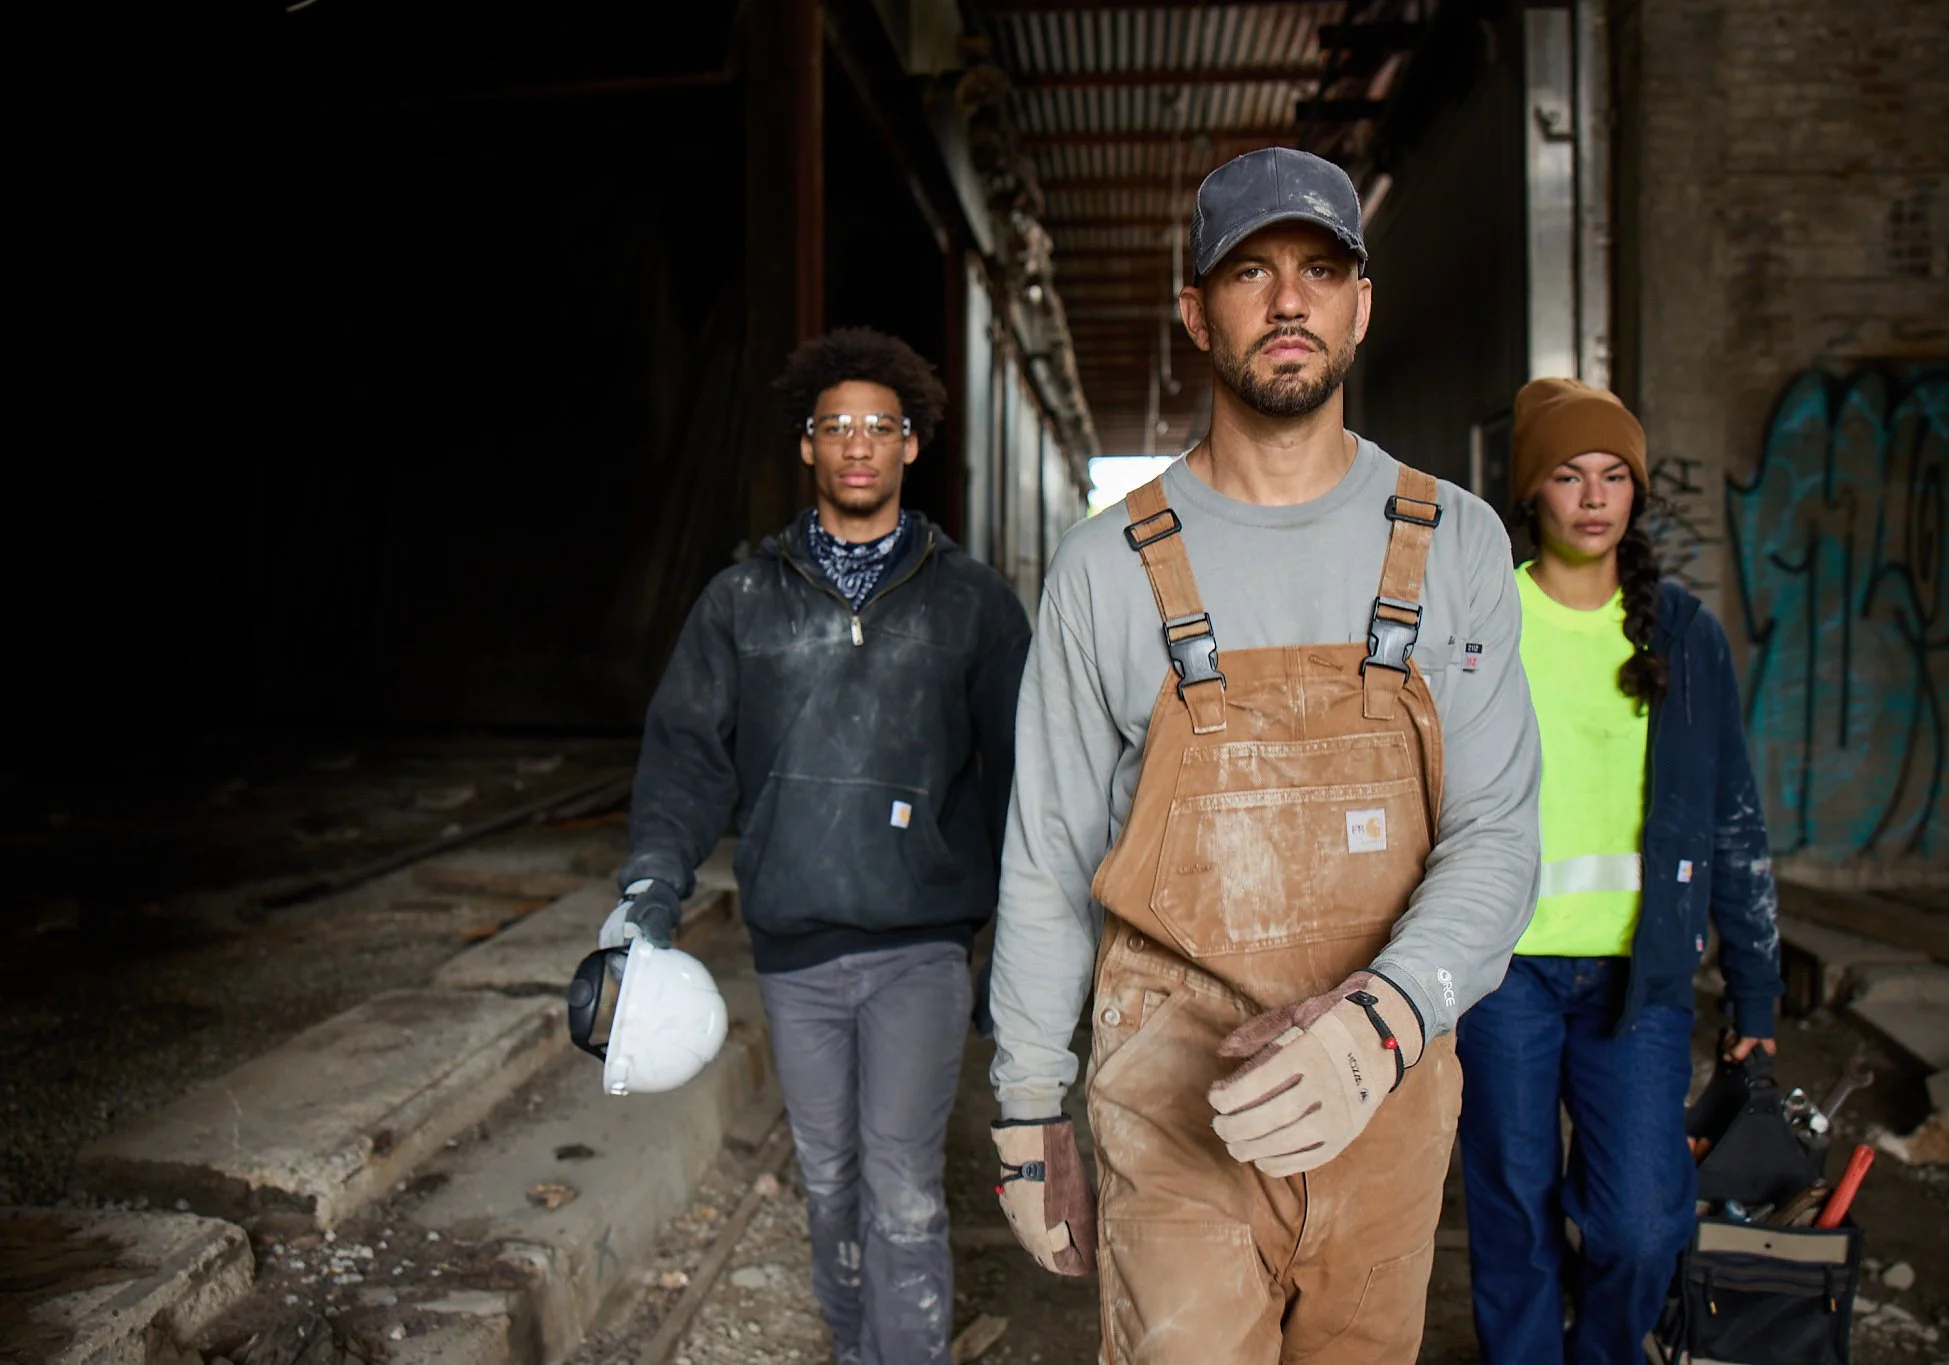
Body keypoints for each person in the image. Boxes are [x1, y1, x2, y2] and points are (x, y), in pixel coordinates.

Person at [984, 147, 1542, 1363]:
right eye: (1249, 271)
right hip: (1170, 1098)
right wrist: (1027, 1110)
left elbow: (1497, 832)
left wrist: (1389, 1018)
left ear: (1359, 303)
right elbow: (1047, 855)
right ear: (1196, 311)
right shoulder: (1103, 569)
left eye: (1319, 268)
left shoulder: (1455, 545)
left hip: (1382, 1102)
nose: (1287, 301)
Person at [605, 327, 1032, 1365]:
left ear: (910, 446)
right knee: (831, 1180)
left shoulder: (968, 602)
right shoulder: (741, 603)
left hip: (918, 948)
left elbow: (1026, 777)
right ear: (806, 445)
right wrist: (649, 893)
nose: (855, 446)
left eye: (877, 428)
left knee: (898, 1184)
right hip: (795, 951)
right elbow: (686, 760)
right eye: (833, 426)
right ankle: (856, 1351)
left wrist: (1020, 949)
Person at [1454, 378, 1783, 1365]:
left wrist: (1755, 1000)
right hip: (1500, 975)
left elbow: (1731, 816)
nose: (1593, 498)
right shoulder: (1480, 629)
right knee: (1510, 1210)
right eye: (1567, 475)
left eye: (1612, 477)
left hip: (1636, 983)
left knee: (1639, 1226)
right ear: (1531, 495)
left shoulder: (1680, 634)